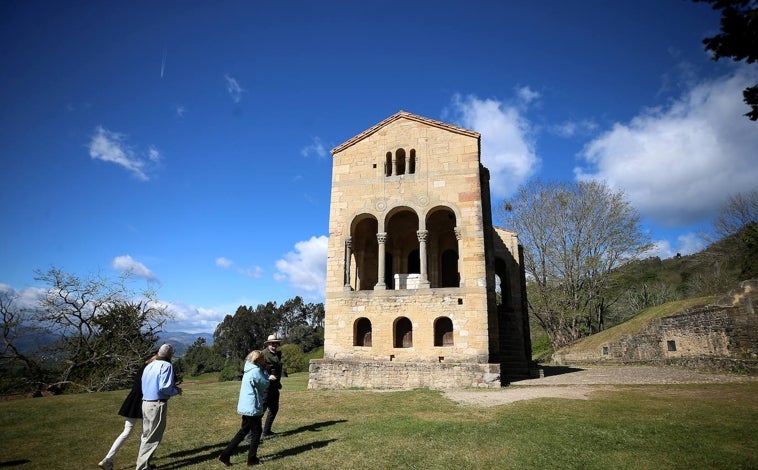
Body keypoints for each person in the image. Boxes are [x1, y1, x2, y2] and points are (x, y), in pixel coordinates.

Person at [98, 352, 156, 470]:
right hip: (143, 401)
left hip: (132, 400)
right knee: (145, 434)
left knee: (126, 431)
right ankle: (143, 464)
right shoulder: (150, 370)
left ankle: (108, 459)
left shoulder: (142, 368)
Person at [218, 350, 273, 467]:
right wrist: (265, 371)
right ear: (259, 360)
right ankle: (252, 459)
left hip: (246, 405)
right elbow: (265, 384)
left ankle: (225, 455)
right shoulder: (256, 370)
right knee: (257, 432)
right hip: (252, 406)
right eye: (263, 359)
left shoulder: (248, 368)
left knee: (243, 431)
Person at [135, 343, 182, 470]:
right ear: (169, 354)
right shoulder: (166, 365)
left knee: (146, 435)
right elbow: (165, 387)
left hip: (145, 402)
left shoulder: (149, 365)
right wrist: (176, 391)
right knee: (153, 437)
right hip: (157, 404)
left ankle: (145, 464)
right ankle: (142, 467)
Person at [261, 334, 283, 438]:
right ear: (268, 344)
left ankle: (266, 431)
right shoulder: (263, 354)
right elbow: (259, 369)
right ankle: (251, 436)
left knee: (274, 409)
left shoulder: (277, 354)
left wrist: (278, 382)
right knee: (261, 411)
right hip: (266, 386)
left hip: (274, 386)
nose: (275, 345)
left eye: (276, 343)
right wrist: (268, 376)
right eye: (272, 343)